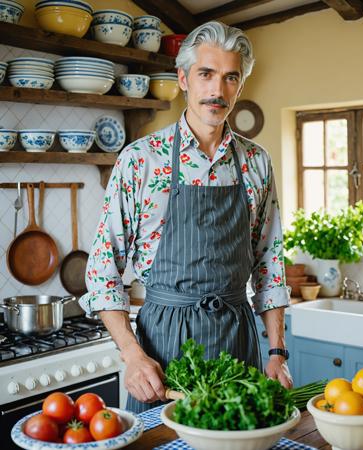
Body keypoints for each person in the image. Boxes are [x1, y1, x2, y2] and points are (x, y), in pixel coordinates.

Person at [79, 20, 292, 413]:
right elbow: (102, 269)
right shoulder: (141, 160)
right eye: (206, 74)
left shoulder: (256, 162)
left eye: (231, 78)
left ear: (240, 85)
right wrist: (132, 355)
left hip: (237, 343)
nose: (217, 90)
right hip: (162, 349)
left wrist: (277, 351)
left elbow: (269, 262)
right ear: (183, 79)